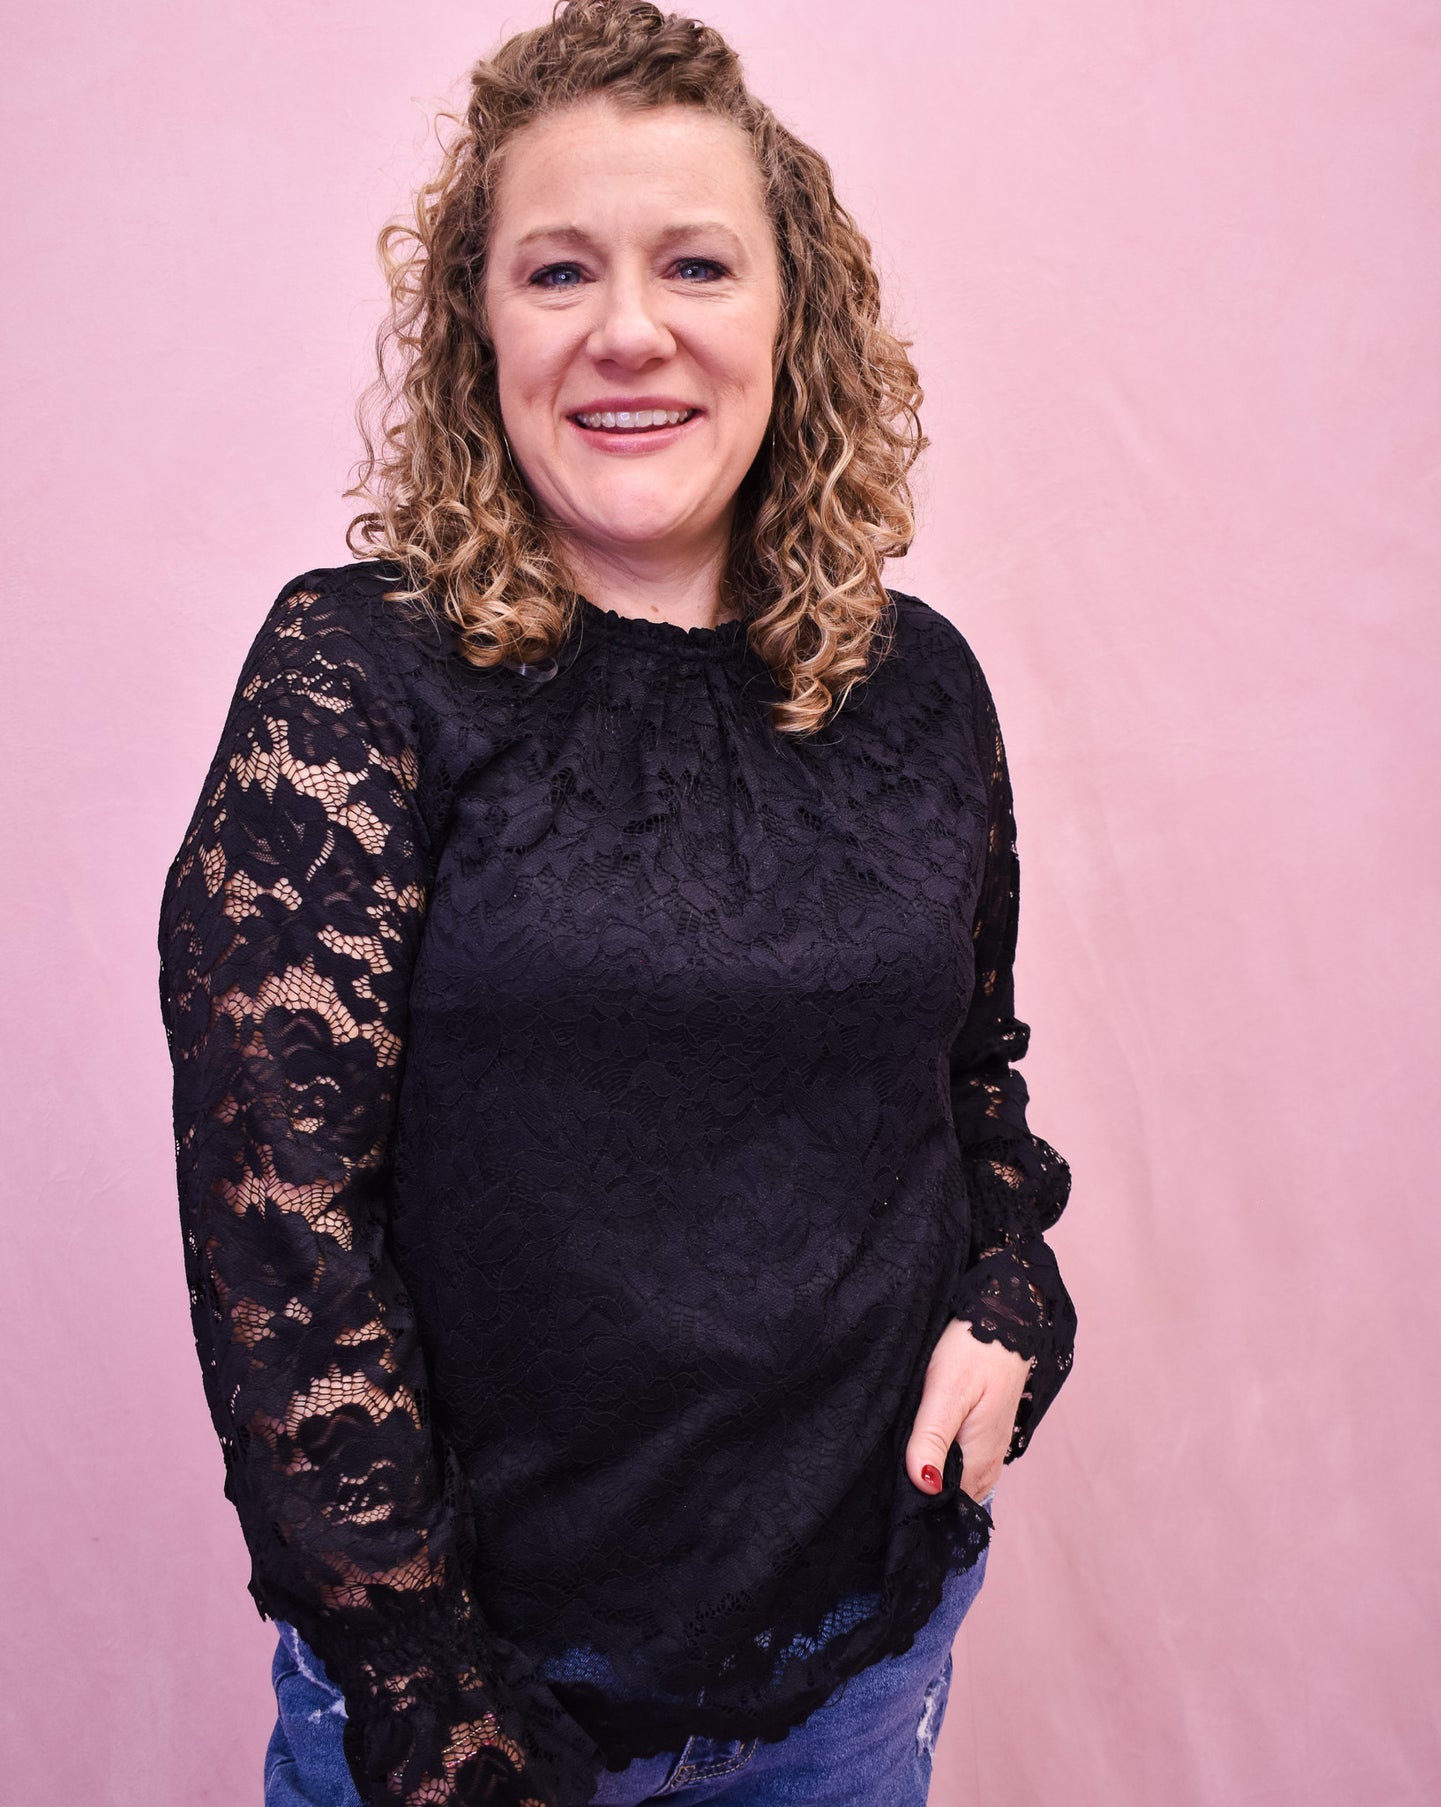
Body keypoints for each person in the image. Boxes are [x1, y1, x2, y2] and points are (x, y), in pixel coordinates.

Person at [156, 3, 1077, 1803]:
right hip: (474, 1712)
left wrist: (1012, 1283)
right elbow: (282, 1242)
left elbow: (968, 1079)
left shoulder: (921, 690)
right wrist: (432, 1701)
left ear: (787, 316)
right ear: (477, 328)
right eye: (557, 269)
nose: (628, 329)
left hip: (858, 1671)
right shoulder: (355, 678)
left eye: (696, 265)